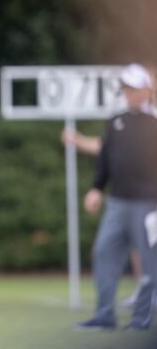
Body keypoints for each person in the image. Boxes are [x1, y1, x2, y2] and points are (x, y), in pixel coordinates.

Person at [76, 63, 157, 331]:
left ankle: (141, 317)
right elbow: (105, 159)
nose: (129, 93)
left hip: (149, 203)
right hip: (117, 201)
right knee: (103, 253)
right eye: (126, 89)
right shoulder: (116, 120)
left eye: (134, 88)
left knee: (149, 262)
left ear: (148, 89)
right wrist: (96, 188)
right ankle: (105, 315)